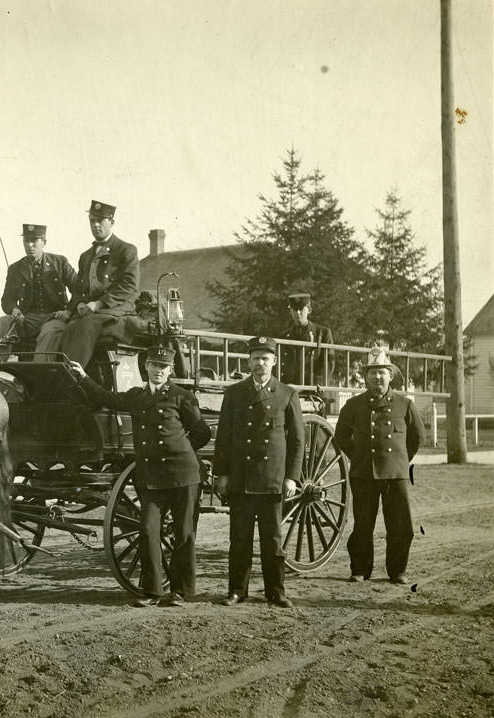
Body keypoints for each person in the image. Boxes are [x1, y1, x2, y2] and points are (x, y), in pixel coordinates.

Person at [69, 346, 211, 606]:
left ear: (170, 370)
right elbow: (107, 398)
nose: (159, 371)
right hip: (151, 475)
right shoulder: (137, 396)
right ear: (145, 367)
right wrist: (82, 377)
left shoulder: (182, 397)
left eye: (164, 367)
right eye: (154, 365)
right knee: (147, 530)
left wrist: (180, 449)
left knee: (183, 532)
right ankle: (152, 591)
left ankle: (180, 591)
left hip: (183, 474)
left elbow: (202, 433)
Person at [213, 336, 303, 608]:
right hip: (241, 478)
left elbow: (298, 441)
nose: (259, 364)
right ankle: (237, 590)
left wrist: (292, 477)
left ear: (274, 361)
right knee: (239, 539)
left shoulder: (287, 394)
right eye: (255, 358)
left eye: (265, 358)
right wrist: (222, 475)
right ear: (248, 361)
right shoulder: (234, 393)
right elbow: (224, 438)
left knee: (272, 540)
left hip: (272, 479)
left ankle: (275, 591)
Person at [335, 346, 424, 584]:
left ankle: (398, 572)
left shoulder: (405, 404)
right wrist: (359, 456)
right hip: (364, 473)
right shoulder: (354, 405)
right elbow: (341, 436)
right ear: (365, 377)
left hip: (396, 474)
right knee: (363, 525)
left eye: (382, 372)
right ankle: (360, 570)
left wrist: (401, 460)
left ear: (390, 375)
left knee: (401, 525)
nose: (377, 377)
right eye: (372, 372)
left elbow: (417, 438)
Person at [35, 200, 139, 366]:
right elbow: (78, 290)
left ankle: (73, 375)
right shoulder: (86, 256)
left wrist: (98, 304)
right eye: (92, 221)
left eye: (100, 220)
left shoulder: (126, 250)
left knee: (82, 326)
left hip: (116, 309)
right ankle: (48, 372)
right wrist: (72, 308)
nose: (95, 225)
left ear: (111, 222)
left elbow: (129, 285)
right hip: (90, 311)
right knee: (54, 325)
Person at [0, 224, 77, 348]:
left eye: (34, 241)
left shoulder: (60, 262)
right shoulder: (15, 269)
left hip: (54, 317)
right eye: (26, 240)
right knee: (4, 321)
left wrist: (68, 311)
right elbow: (7, 299)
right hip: (27, 319)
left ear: (44, 242)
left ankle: (40, 366)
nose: (29, 245)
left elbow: (79, 290)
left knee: (49, 332)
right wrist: (14, 309)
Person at [280, 292, 334, 385]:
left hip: (314, 389)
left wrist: (314, 386)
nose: (297, 313)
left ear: (309, 310)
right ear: (290, 311)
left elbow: (329, 364)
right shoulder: (284, 336)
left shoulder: (322, 334)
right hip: (290, 389)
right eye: (294, 309)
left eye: (301, 309)